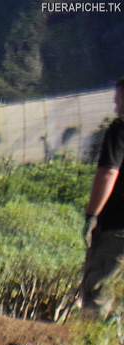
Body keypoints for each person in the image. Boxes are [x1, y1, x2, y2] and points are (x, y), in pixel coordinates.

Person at [81, 78, 124, 318]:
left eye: (119, 99)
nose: (115, 105)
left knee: (99, 291)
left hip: (116, 228)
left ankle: (91, 340)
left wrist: (92, 215)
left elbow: (108, 173)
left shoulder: (119, 130)